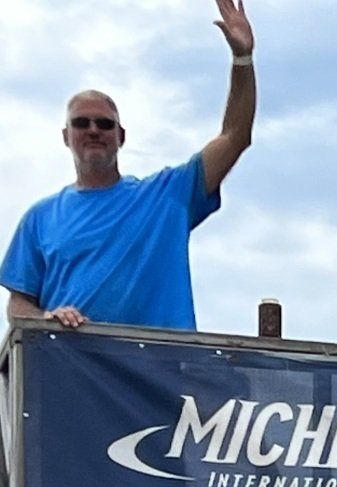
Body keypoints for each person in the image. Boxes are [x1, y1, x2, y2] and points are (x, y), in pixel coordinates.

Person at [3, 0, 257, 333]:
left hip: (157, 373)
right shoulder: (40, 217)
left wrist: (243, 59)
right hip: (68, 371)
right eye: (82, 123)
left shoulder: (167, 195)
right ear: (67, 136)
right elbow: (18, 305)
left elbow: (235, 136)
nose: (94, 130)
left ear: (121, 136)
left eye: (105, 124)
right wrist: (46, 319)